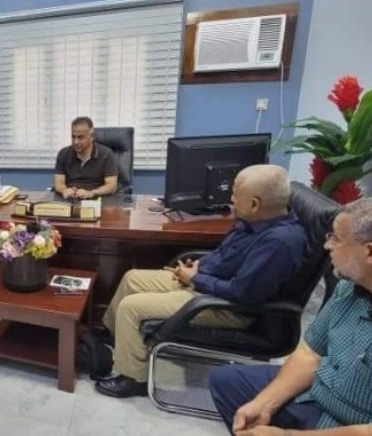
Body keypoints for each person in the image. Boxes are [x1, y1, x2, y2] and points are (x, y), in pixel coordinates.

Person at [94, 164, 307, 398]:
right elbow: (225, 257)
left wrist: (197, 279)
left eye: (236, 195)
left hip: (228, 307)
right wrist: (197, 267)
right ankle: (114, 336)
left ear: (255, 204)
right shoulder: (254, 221)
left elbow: (243, 293)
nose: (231, 200)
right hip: (209, 283)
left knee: (131, 307)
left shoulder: (279, 243)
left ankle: (134, 378)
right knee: (132, 278)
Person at [209, 198, 372, 436]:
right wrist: (265, 404)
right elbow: (311, 354)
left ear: (369, 252)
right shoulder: (348, 285)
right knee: (227, 383)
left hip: (352, 422)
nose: (327, 245)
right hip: (322, 393)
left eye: (336, 238)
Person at [53, 116, 119, 199]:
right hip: (70, 199)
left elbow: (111, 186)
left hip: (95, 199)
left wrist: (91, 193)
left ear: (91, 137)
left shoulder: (106, 154)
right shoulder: (63, 153)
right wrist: (65, 190)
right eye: (73, 137)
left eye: (80, 137)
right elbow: (58, 183)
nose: (76, 141)